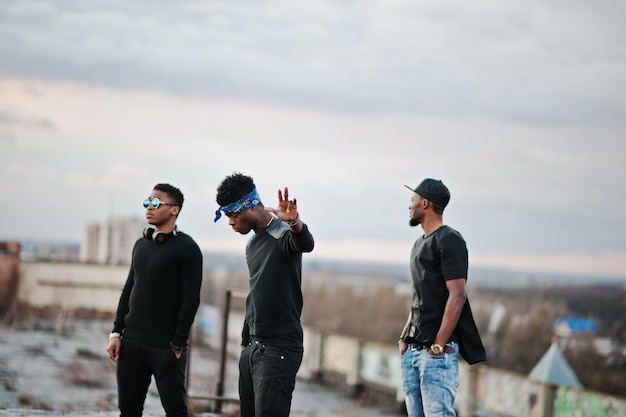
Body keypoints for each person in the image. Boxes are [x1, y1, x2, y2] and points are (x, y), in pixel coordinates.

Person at [214, 172, 315, 417]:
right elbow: (255, 292)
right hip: (253, 349)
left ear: (249, 207)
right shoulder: (252, 244)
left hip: (279, 348)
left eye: (233, 215)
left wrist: (294, 222)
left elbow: (305, 243)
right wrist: (244, 342)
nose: (230, 222)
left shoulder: (282, 234)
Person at [106, 183, 203, 417]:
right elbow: (128, 290)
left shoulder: (188, 249)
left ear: (174, 210)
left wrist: (178, 344)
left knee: (176, 411)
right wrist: (116, 333)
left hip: (166, 347)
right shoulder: (141, 245)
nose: (149, 207)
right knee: (128, 410)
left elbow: (190, 300)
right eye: (147, 202)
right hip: (132, 345)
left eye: (156, 203)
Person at [398, 178, 486, 417]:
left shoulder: (450, 240)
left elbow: (457, 295)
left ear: (425, 203)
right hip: (413, 351)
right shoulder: (418, 244)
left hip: (436, 354)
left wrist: (438, 345)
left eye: (413, 199)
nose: (409, 205)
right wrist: (405, 336)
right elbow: (421, 295)